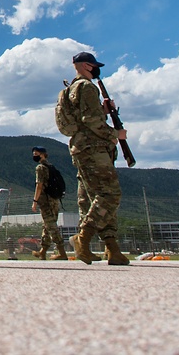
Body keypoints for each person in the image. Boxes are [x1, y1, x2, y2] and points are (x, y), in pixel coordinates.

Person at [55, 51, 128, 265]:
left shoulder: (71, 89)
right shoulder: (87, 87)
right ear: (87, 66)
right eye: (95, 66)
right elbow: (90, 120)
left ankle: (112, 248)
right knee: (109, 195)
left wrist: (103, 110)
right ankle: (82, 238)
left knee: (93, 200)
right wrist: (115, 135)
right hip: (93, 147)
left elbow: (84, 116)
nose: (97, 70)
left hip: (81, 147)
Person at [30, 146, 68, 260]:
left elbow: (39, 185)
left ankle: (62, 252)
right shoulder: (51, 167)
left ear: (42, 154)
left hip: (45, 201)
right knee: (47, 226)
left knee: (51, 226)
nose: (34, 156)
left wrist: (35, 201)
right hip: (54, 200)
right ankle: (43, 251)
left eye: (36, 153)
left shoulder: (40, 168)